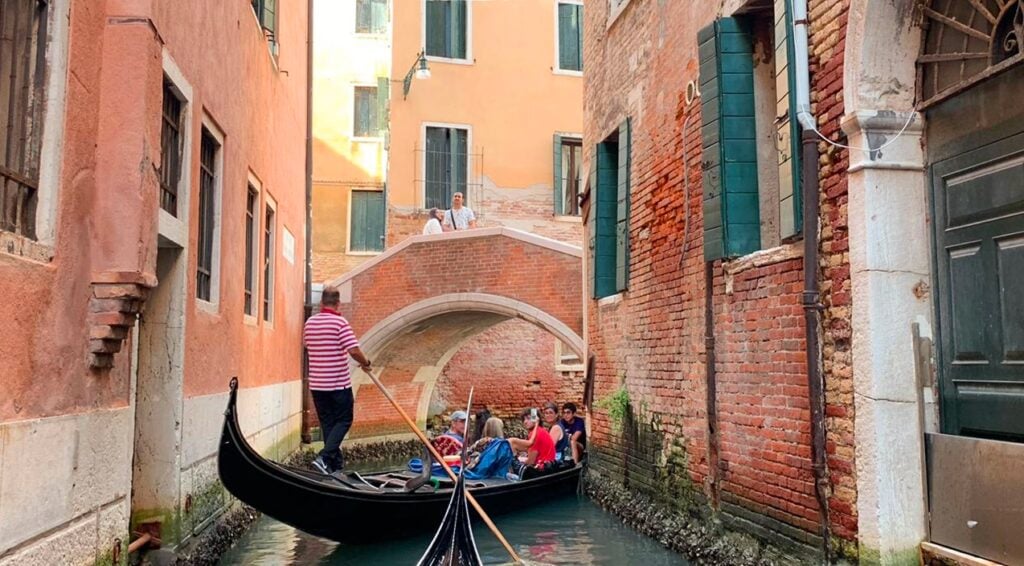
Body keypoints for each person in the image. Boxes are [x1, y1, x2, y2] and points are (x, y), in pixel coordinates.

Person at [303, 286, 372, 476]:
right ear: (338, 303)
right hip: (337, 384)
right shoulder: (340, 323)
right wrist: (366, 363)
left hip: (317, 385)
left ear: (321, 302)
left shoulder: (309, 323)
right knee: (344, 420)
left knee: (328, 424)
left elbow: (308, 345)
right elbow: (354, 350)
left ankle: (335, 466)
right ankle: (324, 458)